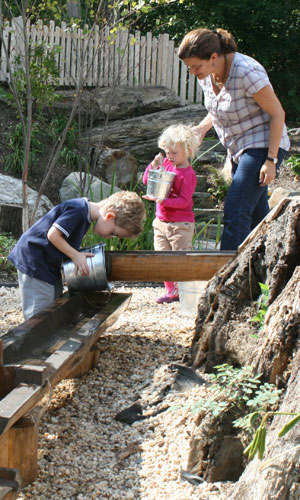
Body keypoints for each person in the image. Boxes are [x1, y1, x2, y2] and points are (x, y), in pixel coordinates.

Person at [178, 28, 290, 250]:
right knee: (259, 222)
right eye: (188, 67)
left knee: (236, 208)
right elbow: (220, 107)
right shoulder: (207, 74)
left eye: (196, 67)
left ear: (213, 57)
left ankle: (226, 279)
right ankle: (267, 277)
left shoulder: (247, 72)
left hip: (263, 145)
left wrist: (271, 160)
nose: (192, 72)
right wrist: (201, 129)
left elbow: (278, 113)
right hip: (237, 149)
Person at [8, 191, 146, 320]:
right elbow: (53, 235)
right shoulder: (78, 210)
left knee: (53, 305)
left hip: (48, 263)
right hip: (34, 261)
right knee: (39, 312)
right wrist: (75, 255)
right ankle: (32, 342)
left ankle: (47, 338)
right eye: (113, 233)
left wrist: (76, 254)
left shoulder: (85, 216)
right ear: (109, 217)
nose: (110, 237)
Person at [143, 123, 199, 304]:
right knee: (162, 258)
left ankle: (184, 291)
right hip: (161, 221)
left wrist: (163, 201)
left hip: (180, 224)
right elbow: (147, 181)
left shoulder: (188, 175)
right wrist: (153, 165)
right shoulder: (166, 163)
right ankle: (171, 291)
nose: (170, 156)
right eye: (168, 152)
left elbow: (184, 201)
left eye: (174, 153)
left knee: (180, 260)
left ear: (188, 150)